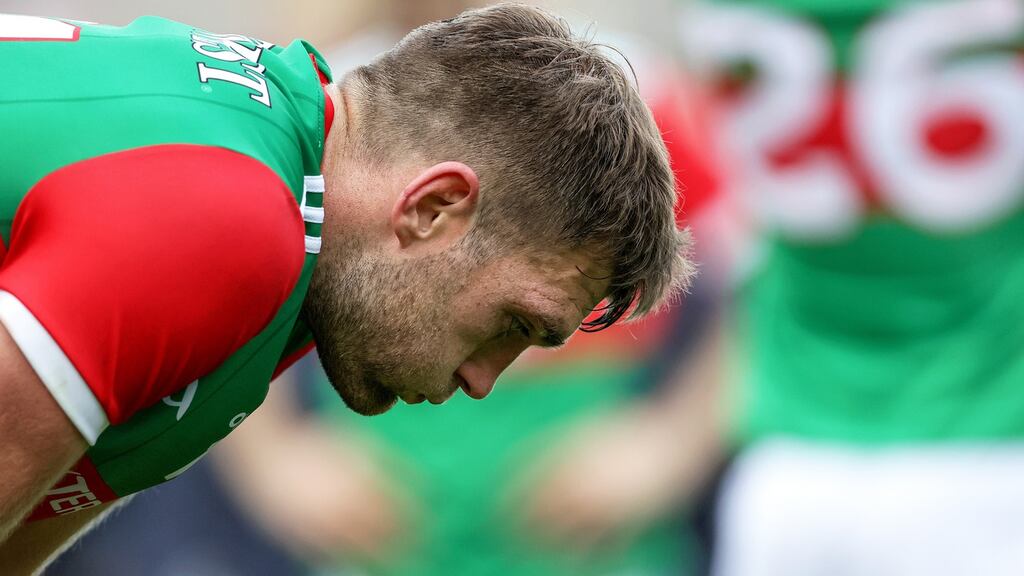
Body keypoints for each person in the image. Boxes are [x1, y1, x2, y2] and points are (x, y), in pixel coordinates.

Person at [0, 4, 691, 573]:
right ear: (433, 208)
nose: (484, 379)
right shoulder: (229, 223)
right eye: (513, 323)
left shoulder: (307, 252)